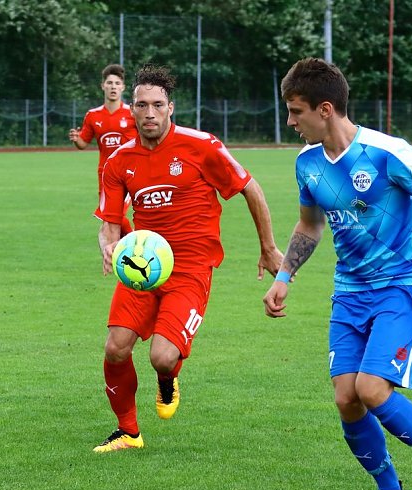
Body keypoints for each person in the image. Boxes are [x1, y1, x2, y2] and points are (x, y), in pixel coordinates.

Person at [263, 57, 412, 490]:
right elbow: (310, 225)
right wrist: (284, 275)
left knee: (371, 387)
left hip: (400, 286)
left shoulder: (388, 153)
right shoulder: (307, 164)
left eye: (296, 111)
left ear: (326, 109)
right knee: (346, 397)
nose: (290, 122)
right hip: (349, 291)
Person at [93, 64, 284, 453]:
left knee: (162, 357)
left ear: (170, 108)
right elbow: (110, 220)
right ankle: (128, 432)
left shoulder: (202, 146)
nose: (149, 113)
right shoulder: (118, 162)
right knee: (115, 347)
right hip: (141, 268)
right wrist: (109, 244)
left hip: (192, 267)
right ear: (131, 108)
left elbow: (250, 189)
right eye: (142, 105)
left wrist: (268, 247)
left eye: (157, 105)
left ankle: (168, 378)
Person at [69, 64, 138, 234]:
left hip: (130, 171)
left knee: (114, 215)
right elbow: (83, 144)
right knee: (111, 217)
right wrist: (77, 140)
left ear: (122, 87)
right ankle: (128, 248)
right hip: (105, 173)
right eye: (109, 83)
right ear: (103, 86)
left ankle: (135, 245)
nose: (113, 86)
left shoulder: (132, 113)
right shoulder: (93, 115)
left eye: (117, 83)